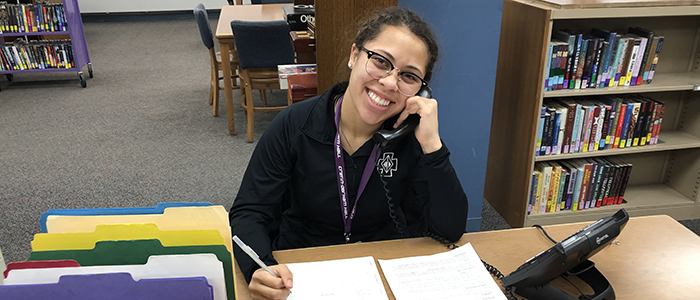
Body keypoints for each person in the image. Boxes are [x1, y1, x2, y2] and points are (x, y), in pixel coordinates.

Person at [229, 6, 468, 300]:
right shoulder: (294, 125)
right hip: (302, 271)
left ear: (420, 90)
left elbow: (451, 228)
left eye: (409, 76)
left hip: (384, 272)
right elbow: (248, 212)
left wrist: (433, 146)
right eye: (381, 61)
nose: (390, 82)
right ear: (355, 55)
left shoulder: (413, 138)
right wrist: (259, 268)